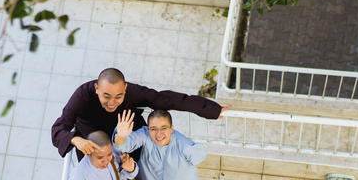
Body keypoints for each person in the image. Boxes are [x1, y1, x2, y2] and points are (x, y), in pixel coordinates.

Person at [52, 67, 228, 158]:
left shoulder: (133, 92)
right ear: (97, 88)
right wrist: (75, 139)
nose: (112, 103)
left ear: (126, 88)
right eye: (106, 96)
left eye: (118, 97)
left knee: (139, 170)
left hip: (130, 138)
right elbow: (59, 128)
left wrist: (212, 110)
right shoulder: (82, 95)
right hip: (93, 141)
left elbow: (165, 99)